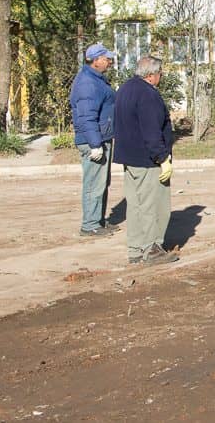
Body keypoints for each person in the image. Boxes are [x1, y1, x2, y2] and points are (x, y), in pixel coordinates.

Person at [113, 55, 178, 266]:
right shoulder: (147, 95)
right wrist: (162, 158)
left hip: (130, 158)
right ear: (151, 75)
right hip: (147, 159)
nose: (161, 77)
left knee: (135, 205)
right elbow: (151, 130)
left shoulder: (125, 88)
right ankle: (151, 249)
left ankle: (135, 249)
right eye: (160, 74)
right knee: (153, 205)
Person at [69, 42, 118, 236]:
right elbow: (86, 116)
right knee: (93, 183)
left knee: (101, 183)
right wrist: (95, 144)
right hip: (93, 140)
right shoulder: (87, 83)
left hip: (100, 136)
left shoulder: (96, 79)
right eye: (106, 59)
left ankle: (98, 221)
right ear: (96, 60)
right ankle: (90, 225)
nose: (110, 62)